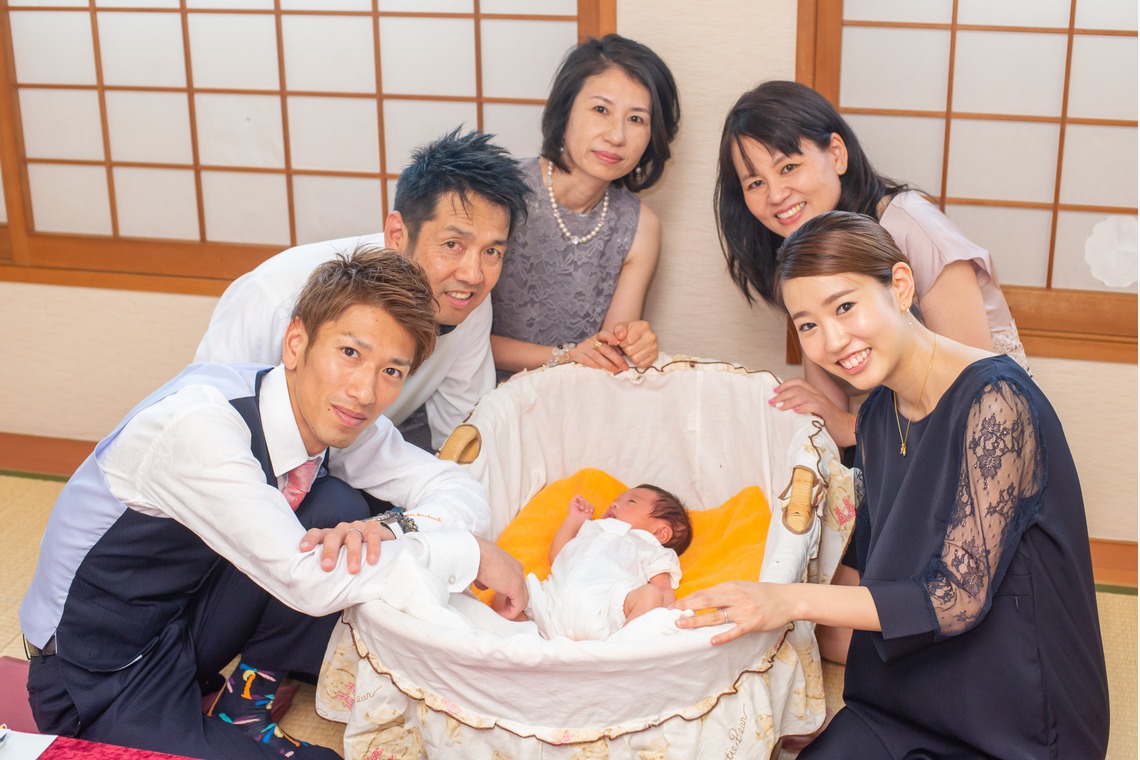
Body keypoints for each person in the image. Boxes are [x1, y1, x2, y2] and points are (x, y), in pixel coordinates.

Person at [20, 248, 527, 759]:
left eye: (391, 371)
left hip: (181, 628)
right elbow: (304, 578)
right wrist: (470, 553)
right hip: (95, 671)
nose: (364, 391)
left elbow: (454, 486)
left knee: (333, 505)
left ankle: (245, 704)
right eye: (350, 353)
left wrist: (393, 529)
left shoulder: (339, 415)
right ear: (296, 342)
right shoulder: (200, 427)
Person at [675, 212, 1109, 758]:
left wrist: (786, 600)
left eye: (845, 306)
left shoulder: (997, 402)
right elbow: (878, 563)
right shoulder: (879, 414)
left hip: (1016, 710)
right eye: (807, 324)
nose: (832, 340)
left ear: (900, 287)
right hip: (904, 696)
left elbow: (955, 598)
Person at [715, 80, 1028, 452]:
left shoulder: (913, 226)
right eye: (755, 183)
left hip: (986, 438)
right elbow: (829, 404)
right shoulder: (801, 253)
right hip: (901, 446)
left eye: (789, 167)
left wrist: (852, 429)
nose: (776, 195)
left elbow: (973, 388)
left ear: (836, 154)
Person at [196, 128, 530, 452]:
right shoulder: (274, 293)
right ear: (397, 234)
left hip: (355, 470)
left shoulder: (464, 303)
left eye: (492, 252)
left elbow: (461, 440)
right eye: (453, 244)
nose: (472, 274)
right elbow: (206, 423)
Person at [490, 34, 680, 380]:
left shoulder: (640, 227)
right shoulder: (500, 190)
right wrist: (563, 356)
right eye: (601, 110)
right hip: (471, 396)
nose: (616, 135)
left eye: (636, 119)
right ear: (565, 113)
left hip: (570, 397)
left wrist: (634, 344)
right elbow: (449, 339)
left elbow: (611, 352)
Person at [511, 486, 692, 641]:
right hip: (551, 605)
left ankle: (618, 650)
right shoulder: (591, 529)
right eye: (616, 500)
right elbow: (558, 556)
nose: (614, 504)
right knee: (509, 580)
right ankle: (525, 637)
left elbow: (662, 589)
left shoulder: (650, 546)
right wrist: (574, 520)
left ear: (660, 533)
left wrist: (667, 616)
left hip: (604, 610)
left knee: (650, 595)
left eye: (631, 502)